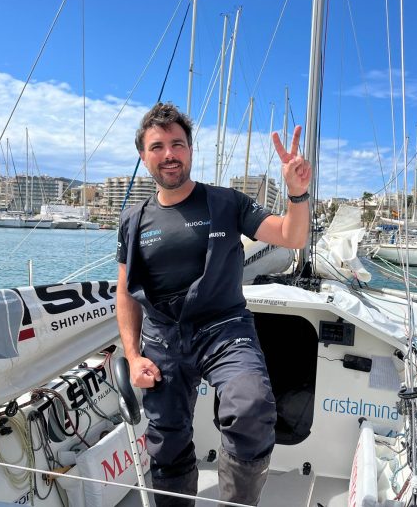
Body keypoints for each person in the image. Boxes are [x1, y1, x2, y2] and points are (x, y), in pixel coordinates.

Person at [116, 102, 311, 506]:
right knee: (165, 440)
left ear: (190, 150)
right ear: (143, 156)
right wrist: (133, 357)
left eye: (177, 144)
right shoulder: (133, 220)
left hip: (223, 330)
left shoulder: (227, 203)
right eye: (157, 147)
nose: (169, 154)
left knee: (251, 407)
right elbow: (125, 292)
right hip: (162, 338)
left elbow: (291, 237)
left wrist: (297, 193)